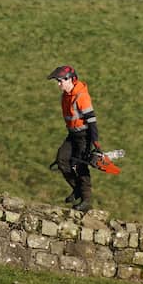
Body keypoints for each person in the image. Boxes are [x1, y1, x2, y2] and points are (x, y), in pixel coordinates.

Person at [48, 64, 101, 211]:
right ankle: (77, 189)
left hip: (85, 136)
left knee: (80, 166)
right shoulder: (65, 96)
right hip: (72, 135)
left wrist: (95, 143)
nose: (58, 85)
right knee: (62, 160)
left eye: (60, 81)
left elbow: (92, 121)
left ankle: (86, 200)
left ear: (70, 79)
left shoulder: (81, 96)